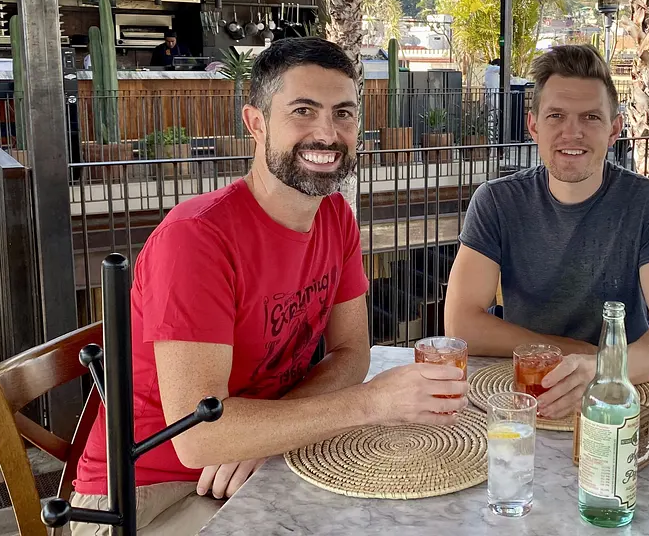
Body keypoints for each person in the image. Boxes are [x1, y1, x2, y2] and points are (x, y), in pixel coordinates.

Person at [71, 38, 467, 535]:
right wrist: (372, 404)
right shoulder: (197, 238)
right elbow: (197, 437)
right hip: (144, 489)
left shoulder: (335, 218)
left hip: (260, 460)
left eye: (344, 113)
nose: (328, 133)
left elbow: (352, 353)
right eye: (304, 111)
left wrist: (262, 436)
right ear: (256, 123)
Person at [444, 44, 649, 421]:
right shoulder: (496, 202)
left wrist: (605, 370)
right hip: (525, 392)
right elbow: (461, 322)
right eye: (556, 115)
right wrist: (581, 355)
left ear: (614, 130)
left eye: (590, 117)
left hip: (623, 395)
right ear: (533, 126)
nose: (571, 132)